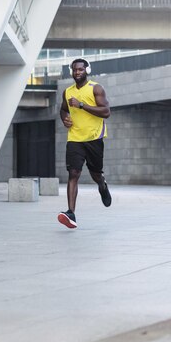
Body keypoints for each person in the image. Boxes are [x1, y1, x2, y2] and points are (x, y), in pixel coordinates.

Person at [57, 58, 112, 229]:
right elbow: (64, 109)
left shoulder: (96, 88)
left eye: (80, 69)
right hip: (75, 139)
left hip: (94, 138)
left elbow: (106, 112)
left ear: (87, 70)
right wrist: (64, 119)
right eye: (74, 70)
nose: (77, 72)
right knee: (74, 173)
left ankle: (102, 185)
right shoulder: (67, 92)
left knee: (96, 174)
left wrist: (81, 105)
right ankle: (71, 213)